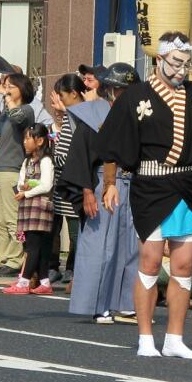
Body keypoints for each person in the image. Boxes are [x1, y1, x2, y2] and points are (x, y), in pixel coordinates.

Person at [96, 30, 192, 358]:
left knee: (183, 264)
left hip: (188, 185)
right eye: (176, 62)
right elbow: (113, 141)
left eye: (186, 64)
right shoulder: (136, 96)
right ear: (159, 59)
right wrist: (109, 184)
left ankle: (175, 338)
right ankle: (145, 336)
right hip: (150, 185)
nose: (181, 70)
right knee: (150, 261)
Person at [59, 63, 140, 323]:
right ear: (110, 90)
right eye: (120, 89)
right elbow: (81, 154)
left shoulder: (138, 115)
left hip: (134, 185)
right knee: (101, 247)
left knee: (132, 248)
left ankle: (128, 303)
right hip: (102, 184)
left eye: (129, 89)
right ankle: (98, 304)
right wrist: (86, 192)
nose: (123, 93)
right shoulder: (94, 114)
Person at [0, 73, 35, 277]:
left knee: (13, 218)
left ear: (22, 89)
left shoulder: (26, 110)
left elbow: (18, 118)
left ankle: (15, 259)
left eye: (11, 86)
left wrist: (6, 95)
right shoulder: (6, 112)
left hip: (13, 170)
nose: (7, 89)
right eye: (6, 86)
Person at [2, 124, 55, 295]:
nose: (24, 142)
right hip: (28, 207)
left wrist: (27, 192)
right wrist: (23, 187)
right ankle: (44, 282)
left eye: (28, 138)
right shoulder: (27, 161)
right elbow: (20, 182)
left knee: (33, 247)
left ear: (39, 141)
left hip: (40, 207)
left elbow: (47, 185)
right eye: (24, 138)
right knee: (35, 246)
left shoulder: (46, 161)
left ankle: (24, 282)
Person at [49, 74, 86, 287]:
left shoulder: (80, 116)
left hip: (73, 183)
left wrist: (54, 159)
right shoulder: (71, 116)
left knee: (75, 232)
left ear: (73, 93)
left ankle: (76, 271)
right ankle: (58, 268)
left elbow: (68, 153)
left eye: (62, 96)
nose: (60, 101)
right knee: (57, 229)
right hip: (62, 182)